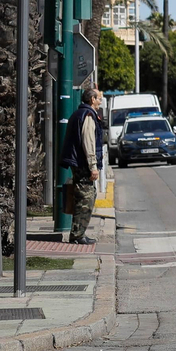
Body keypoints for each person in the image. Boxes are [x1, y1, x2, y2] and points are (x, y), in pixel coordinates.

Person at [63, 88, 105, 245]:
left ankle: (78, 232)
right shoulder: (87, 115)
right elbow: (89, 143)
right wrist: (93, 166)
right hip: (83, 164)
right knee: (86, 198)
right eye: (98, 98)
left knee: (86, 195)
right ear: (92, 100)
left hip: (80, 162)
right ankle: (77, 234)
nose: (100, 101)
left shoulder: (80, 113)